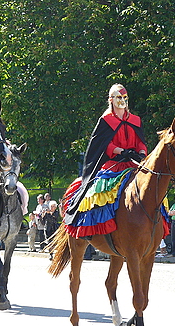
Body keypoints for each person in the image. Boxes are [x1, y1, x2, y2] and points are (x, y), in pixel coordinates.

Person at [64, 84, 147, 234]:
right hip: (114, 163)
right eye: (118, 97)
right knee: (100, 190)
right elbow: (104, 143)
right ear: (111, 99)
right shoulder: (106, 120)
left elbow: (141, 141)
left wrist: (141, 152)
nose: (122, 101)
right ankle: (96, 227)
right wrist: (120, 151)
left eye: (124, 97)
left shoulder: (136, 120)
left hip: (134, 163)